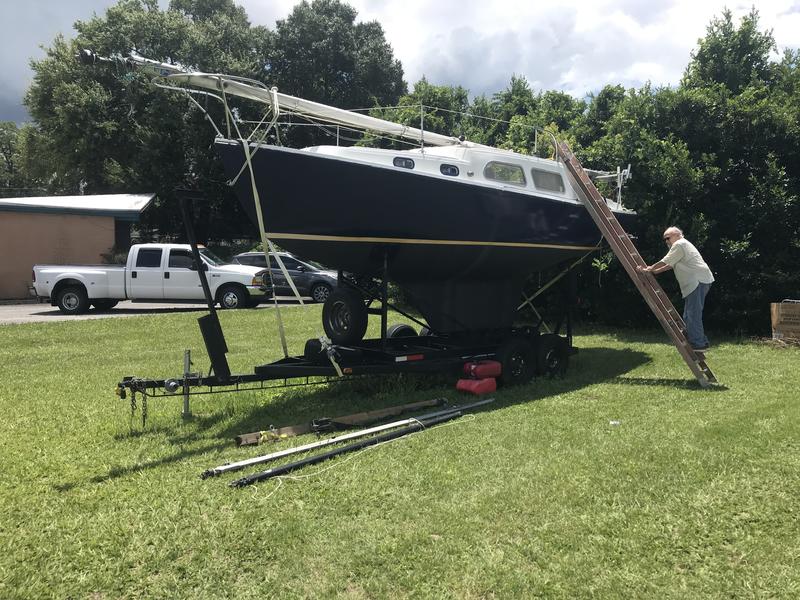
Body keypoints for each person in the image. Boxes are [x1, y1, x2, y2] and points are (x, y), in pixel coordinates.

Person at [637, 226, 714, 351]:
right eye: (665, 239)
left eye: (668, 238)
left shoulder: (679, 244)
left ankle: (699, 344)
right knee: (689, 315)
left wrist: (650, 268)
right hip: (698, 281)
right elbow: (670, 264)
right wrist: (655, 271)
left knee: (693, 314)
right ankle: (700, 340)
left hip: (697, 281)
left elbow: (665, 260)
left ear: (678, 235)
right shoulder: (682, 245)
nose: (666, 241)